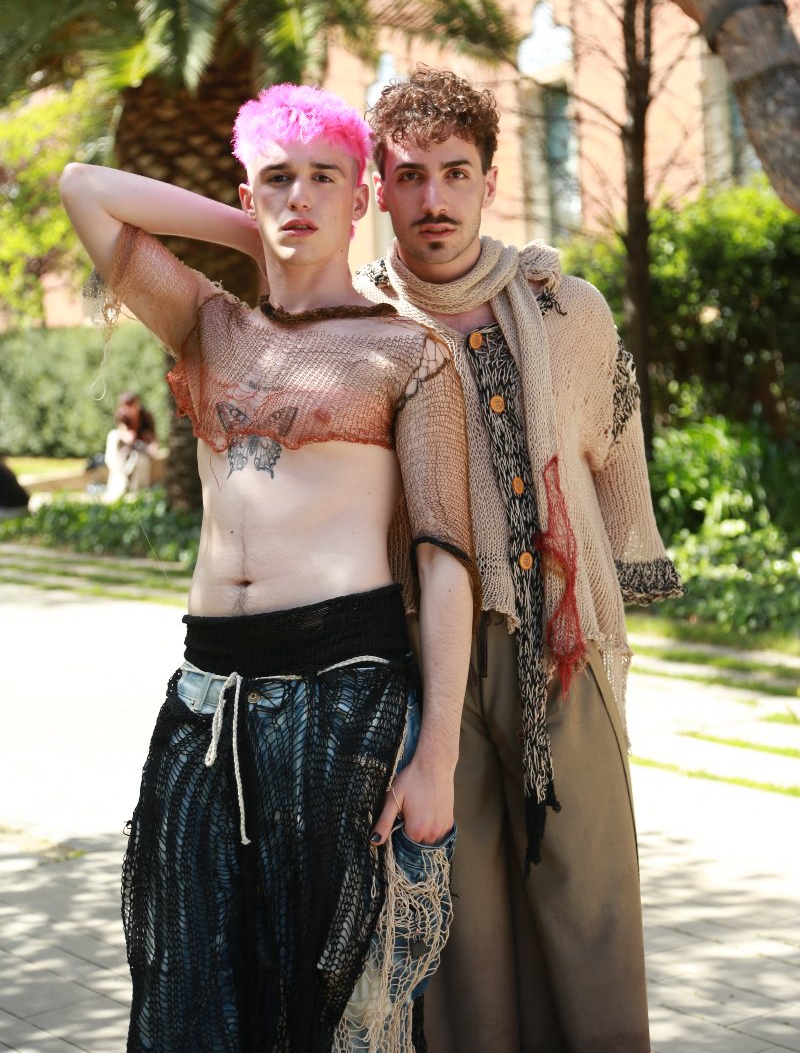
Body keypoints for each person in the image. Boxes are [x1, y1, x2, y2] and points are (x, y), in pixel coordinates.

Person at [59, 82, 477, 1053]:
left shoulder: (407, 352)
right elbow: (84, 187)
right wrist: (251, 233)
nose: (300, 197)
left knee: (334, 1012)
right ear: (249, 194)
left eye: (323, 179)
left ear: (360, 197)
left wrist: (436, 757)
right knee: (191, 995)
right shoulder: (208, 325)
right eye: (278, 180)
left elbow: (445, 559)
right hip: (207, 700)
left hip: (344, 697)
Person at [355, 66, 683, 1053]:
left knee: (590, 907)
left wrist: (626, 577)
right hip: (422, 658)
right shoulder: (355, 327)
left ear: (490, 181)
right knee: (460, 924)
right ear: (377, 189)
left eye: (455, 173)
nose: (434, 198)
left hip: (563, 646)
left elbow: (616, 449)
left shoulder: (569, 310)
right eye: (409, 176)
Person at [103, 390, 159, 500]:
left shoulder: (146, 416)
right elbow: (123, 433)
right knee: (113, 436)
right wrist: (126, 436)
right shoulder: (122, 416)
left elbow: (154, 438)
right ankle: (119, 485)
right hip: (127, 449)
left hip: (142, 450)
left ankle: (136, 490)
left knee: (140, 459)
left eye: (131, 405)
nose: (129, 409)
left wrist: (153, 447)